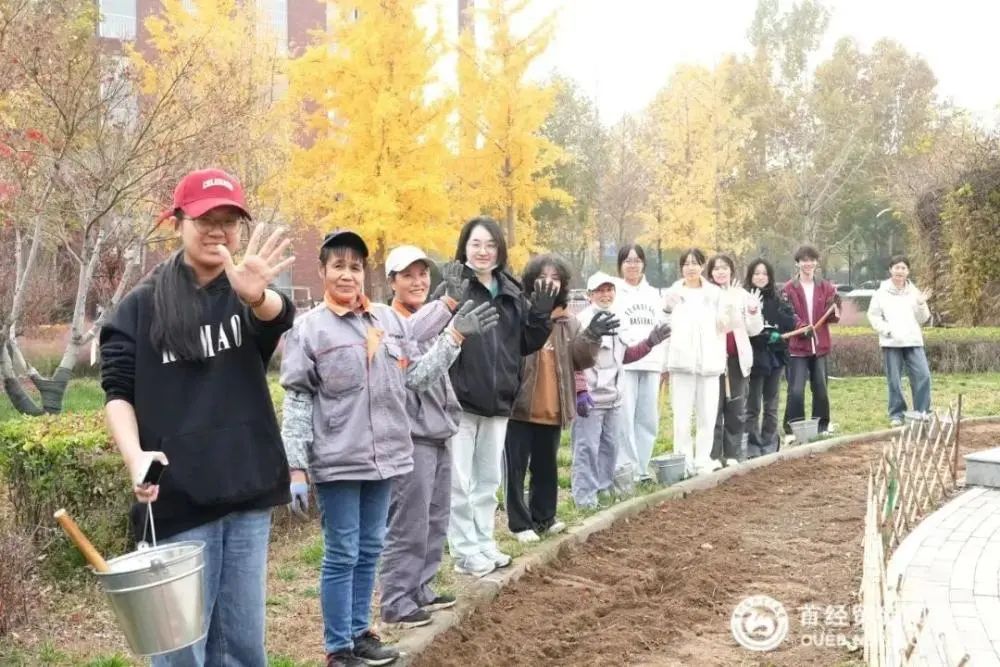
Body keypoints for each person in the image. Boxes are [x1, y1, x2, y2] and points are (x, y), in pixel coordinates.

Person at [100, 168, 296, 667]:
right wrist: (135, 456)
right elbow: (117, 392)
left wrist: (255, 295)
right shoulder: (141, 306)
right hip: (181, 497)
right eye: (206, 218)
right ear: (177, 222)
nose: (218, 230)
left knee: (243, 646)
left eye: (229, 220)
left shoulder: (245, 290)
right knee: (181, 649)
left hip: (248, 489)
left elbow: (277, 316)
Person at [279, 230, 498, 666]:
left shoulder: (383, 320)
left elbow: (415, 376)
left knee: (371, 548)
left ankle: (361, 633)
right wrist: (297, 467)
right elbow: (298, 400)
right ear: (323, 272)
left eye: (355, 267)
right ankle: (338, 647)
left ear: (364, 273)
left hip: (386, 459)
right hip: (340, 462)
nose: (347, 274)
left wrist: (454, 338)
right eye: (338, 266)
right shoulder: (310, 329)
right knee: (342, 553)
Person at [445, 217, 555, 577]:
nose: (482, 251)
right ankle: (463, 552)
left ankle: (483, 541)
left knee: (488, 480)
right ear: (464, 247)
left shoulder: (509, 290)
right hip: (461, 400)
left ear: (500, 250)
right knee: (459, 482)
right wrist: (449, 301)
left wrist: (539, 318)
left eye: (490, 245)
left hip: (500, 400)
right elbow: (435, 334)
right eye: (476, 244)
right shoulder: (455, 287)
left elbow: (525, 343)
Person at [377, 246, 480, 629]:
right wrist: (451, 328)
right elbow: (415, 376)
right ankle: (396, 598)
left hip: (438, 430)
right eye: (408, 275)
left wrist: (448, 312)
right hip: (412, 434)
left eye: (423, 274)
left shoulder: (427, 320)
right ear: (391, 282)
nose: (418, 281)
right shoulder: (388, 321)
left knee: (436, 516)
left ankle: (422, 586)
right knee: (409, 520)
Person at [504, 255, 614, 543]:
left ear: (563, 285)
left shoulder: (569, 321)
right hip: (520, 405)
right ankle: (519, 523)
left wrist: (592, 335)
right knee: (516, 468)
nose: (549, 283)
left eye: (555, 278)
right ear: (531, 281)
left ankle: (545, 516)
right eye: (543, 277)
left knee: (546, 465)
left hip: (553, 403)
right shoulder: (519, 312)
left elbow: (579, 358)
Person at [571, 272, 669, 509]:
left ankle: (604, 490)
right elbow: (573, 359)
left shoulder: (618, 318)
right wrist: (580, 391)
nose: (605, 295)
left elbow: (625, 355)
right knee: (587, 449)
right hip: (590, 399)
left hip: (614, 398)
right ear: (589, 295)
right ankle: (585, 498)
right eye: (599, 291)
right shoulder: (582, 321)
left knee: (610, 448)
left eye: (609, 290)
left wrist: (650, 342)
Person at [663, 248, 739, 476]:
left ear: (703, 266)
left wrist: (730, 308)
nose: (691, 268)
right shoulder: (673, 293)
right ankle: (683, 462)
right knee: (682, 418)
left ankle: (703, 460)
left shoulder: (715, 294)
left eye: (695, 263)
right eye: (686, 264)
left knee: (707, 416)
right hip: (681, 364)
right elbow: (663, 325)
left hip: (709, 364)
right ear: (681, 268)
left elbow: (726, 325)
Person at [613, 243, 669, 482]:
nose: (632, 265)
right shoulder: (614, 292)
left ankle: (642, 468)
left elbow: (664, 329)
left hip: (652, 362)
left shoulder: (655, 294)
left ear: (643, 263)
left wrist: (664, 363)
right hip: (626, 363)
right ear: (621, 265)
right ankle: (627, 468)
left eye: (637, 260)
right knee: (625, 418)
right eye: (628, 260)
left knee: (648, 418)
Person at [706, 255, 763, 467]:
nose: (720, 272)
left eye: (725, 268)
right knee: (713, 408)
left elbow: (754, 329)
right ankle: (712, 456)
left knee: (736, 409)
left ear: (731, 270)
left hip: (736, 361)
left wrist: (753, 311)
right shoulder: (707, 295)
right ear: (710, 272)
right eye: (716, 268)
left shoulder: (742, 295)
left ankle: (732, 454)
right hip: (713, 361)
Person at [866, 255, 933, 427]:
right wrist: (887, 330)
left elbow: (923, 318)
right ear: (890, 270)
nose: (900, 271)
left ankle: (922, 412)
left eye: (903, 268)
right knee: (894, 380)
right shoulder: (881, 293)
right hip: (891, 342)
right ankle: (897, 414)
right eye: (896, 267)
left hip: (913, 341)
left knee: (923, 375)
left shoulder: (915, 292)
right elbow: (873, 316)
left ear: (908, 271)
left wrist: (920, 304)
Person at [782, 244, 841, 436]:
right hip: (797, 347)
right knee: (796, 391)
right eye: (804, 260)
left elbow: (831, 317)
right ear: (798, 263)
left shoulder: (826, 287)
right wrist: (801, 327)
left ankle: (822, 426)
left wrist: (835, 309)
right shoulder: (789, 288)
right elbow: (788, 314)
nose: (808, 264)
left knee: (821, 390)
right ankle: (793, 428)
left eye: (812, 260)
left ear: (816, 262)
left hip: (820, 347)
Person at [743, 259, 796, 458]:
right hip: (755, 358)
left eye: (764, 274)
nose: (760, 277)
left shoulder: (778, 298)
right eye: (756, 273)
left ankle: (770, 442)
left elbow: (788, 322)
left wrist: (780, 329)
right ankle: (752, 445)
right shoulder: (745, 298)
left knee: (771, 404)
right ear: (750, 276)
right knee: (753, 404)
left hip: (775, 357)